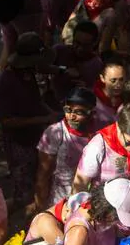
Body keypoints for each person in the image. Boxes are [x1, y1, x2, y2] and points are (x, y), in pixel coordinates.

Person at [0, 33, 57, 210]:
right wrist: (43, 119)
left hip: (37, 136)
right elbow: (7, 121)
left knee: (41, 177)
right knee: (24, 188)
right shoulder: (6, 82)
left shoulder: (27, 74)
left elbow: (36, 100)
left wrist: (51, 113)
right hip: (19, 142)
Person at [73, 105, 130, 214]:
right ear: (118, 127)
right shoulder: (99, 146)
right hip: (105, 217)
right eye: (129, 142)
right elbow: (80, 185)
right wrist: (78, 217)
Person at [32, 85, 96, 214]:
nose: (71, 116)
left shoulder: (98, 133)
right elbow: (43, 175)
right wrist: (40, 210)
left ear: (91, 113)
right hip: (60, 202)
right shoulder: (55, 132)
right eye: (68, 110)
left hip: (90, 199)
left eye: (79, 112)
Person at [50, 19, 105, 102]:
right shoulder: (59, 51)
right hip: (53, 102)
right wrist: (63, 70)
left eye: (85, 45)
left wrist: (87, 89)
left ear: (94, 43)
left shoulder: (97, 65)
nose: (79, 49)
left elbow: (100, 92)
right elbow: (41, 66)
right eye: (77, 43)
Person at [90, 56, 129, 131]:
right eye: (113, 80)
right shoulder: (91, 101)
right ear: (102, 78)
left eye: (121, 80)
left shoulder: (129, 97)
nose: (118, 85)